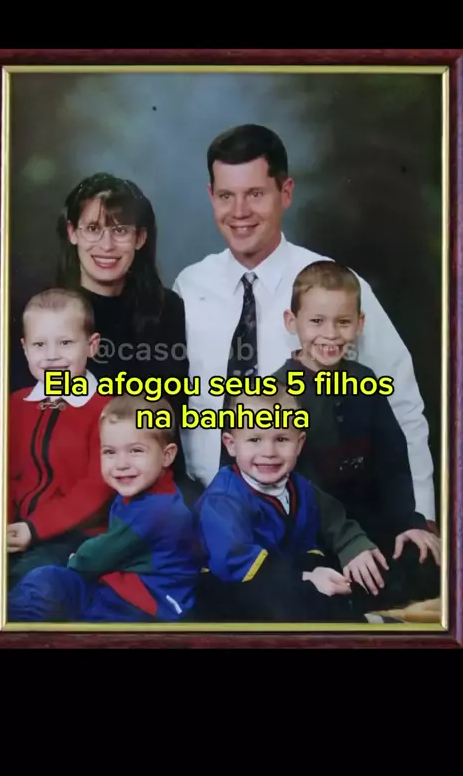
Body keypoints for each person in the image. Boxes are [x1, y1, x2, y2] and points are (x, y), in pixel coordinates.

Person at [173, 124, 436, 522]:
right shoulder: (190, 286)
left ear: (286, 192)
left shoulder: (336, 287)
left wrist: (421, 516)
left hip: (310, 519)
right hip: (204, 510)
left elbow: (401, 404)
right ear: (211, 196)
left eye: (255, 194)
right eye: (226, 195)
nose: (239, 211)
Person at [273, 260, 440, 612]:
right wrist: (348, 543)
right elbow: (291, 486)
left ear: (359, 324)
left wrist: (409, 524)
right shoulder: (275, 393)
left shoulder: (366, 382)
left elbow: (392, 464)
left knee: (430, 562)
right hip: (311, 533)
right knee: (313, 588)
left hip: (370, 527)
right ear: (292, 322)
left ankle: (364, 596)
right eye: (317, 321)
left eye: (343, 322)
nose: (331, 334)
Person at [10, 172, 189, 481]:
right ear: (72, 232)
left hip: (150, 480)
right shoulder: (40, 313)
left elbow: (174, 411)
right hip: (67, 480)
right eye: (93, 229)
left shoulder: (168, 309)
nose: (106, 245)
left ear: (140, 238)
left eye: (120, 230)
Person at [194, 386, 401, 623]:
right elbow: (234, 563)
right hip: (232, 588)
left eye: (281, 439)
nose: (269, 452)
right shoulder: (222, 500)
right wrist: (307, 578)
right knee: (291, 601)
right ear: (231, 444)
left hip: (289, 572)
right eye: (255, 439)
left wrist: (321, 569)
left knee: (357, 569)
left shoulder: (299, 487)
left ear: (299, 443)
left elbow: (317, 534)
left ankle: (357, 611)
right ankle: (356, 623)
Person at [8, 394, 201, 623]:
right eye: (110, 452)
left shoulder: (157, 510)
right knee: (46, 580)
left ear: (167, 456)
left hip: (147, 604)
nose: (121, 464)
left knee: (47, 586)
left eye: (136, 451)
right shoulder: (144, 493)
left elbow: (97, 556)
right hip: (120, 588)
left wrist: (75, 559)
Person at [7, 288, 115, 590]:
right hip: (14, 528)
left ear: (92, 346)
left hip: (73, 535)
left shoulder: (106, 410)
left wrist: (34, 528)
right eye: (39, 344)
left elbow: (97, 489)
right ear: (25, 349)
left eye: (65, 343)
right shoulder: (15, 404)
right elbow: (3, 474)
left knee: (26, 582)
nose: (52, 355)